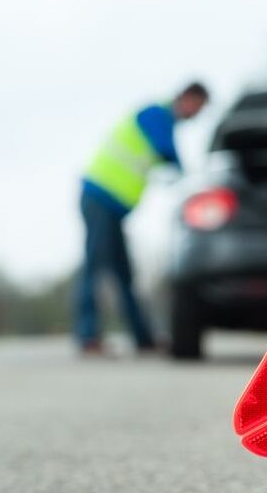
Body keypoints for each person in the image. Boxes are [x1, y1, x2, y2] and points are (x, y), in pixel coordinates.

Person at [75, 82, 209, 355]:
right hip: (99, 196)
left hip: (111, 206)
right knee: (95, 265)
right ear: (187, 97)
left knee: (123, 273)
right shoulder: (156, 114)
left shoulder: (160, 119)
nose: (196, 114)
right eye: (198, 107)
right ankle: (87, 335)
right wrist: (191, 179)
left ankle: (143, 338)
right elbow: (167, 151)